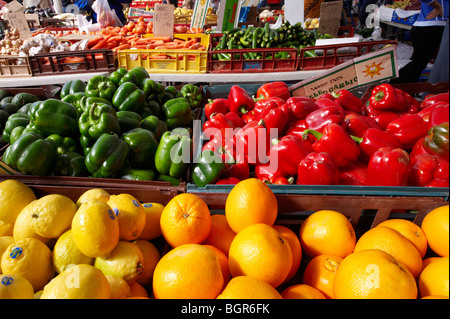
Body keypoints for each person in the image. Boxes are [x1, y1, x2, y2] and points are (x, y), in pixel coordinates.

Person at [390, 0, 449, 84]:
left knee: (419, 63)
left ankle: (396, 85)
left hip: (430, 27)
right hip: (429, 27)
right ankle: (401, 88)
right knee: (418, 64)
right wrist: (437, 7)